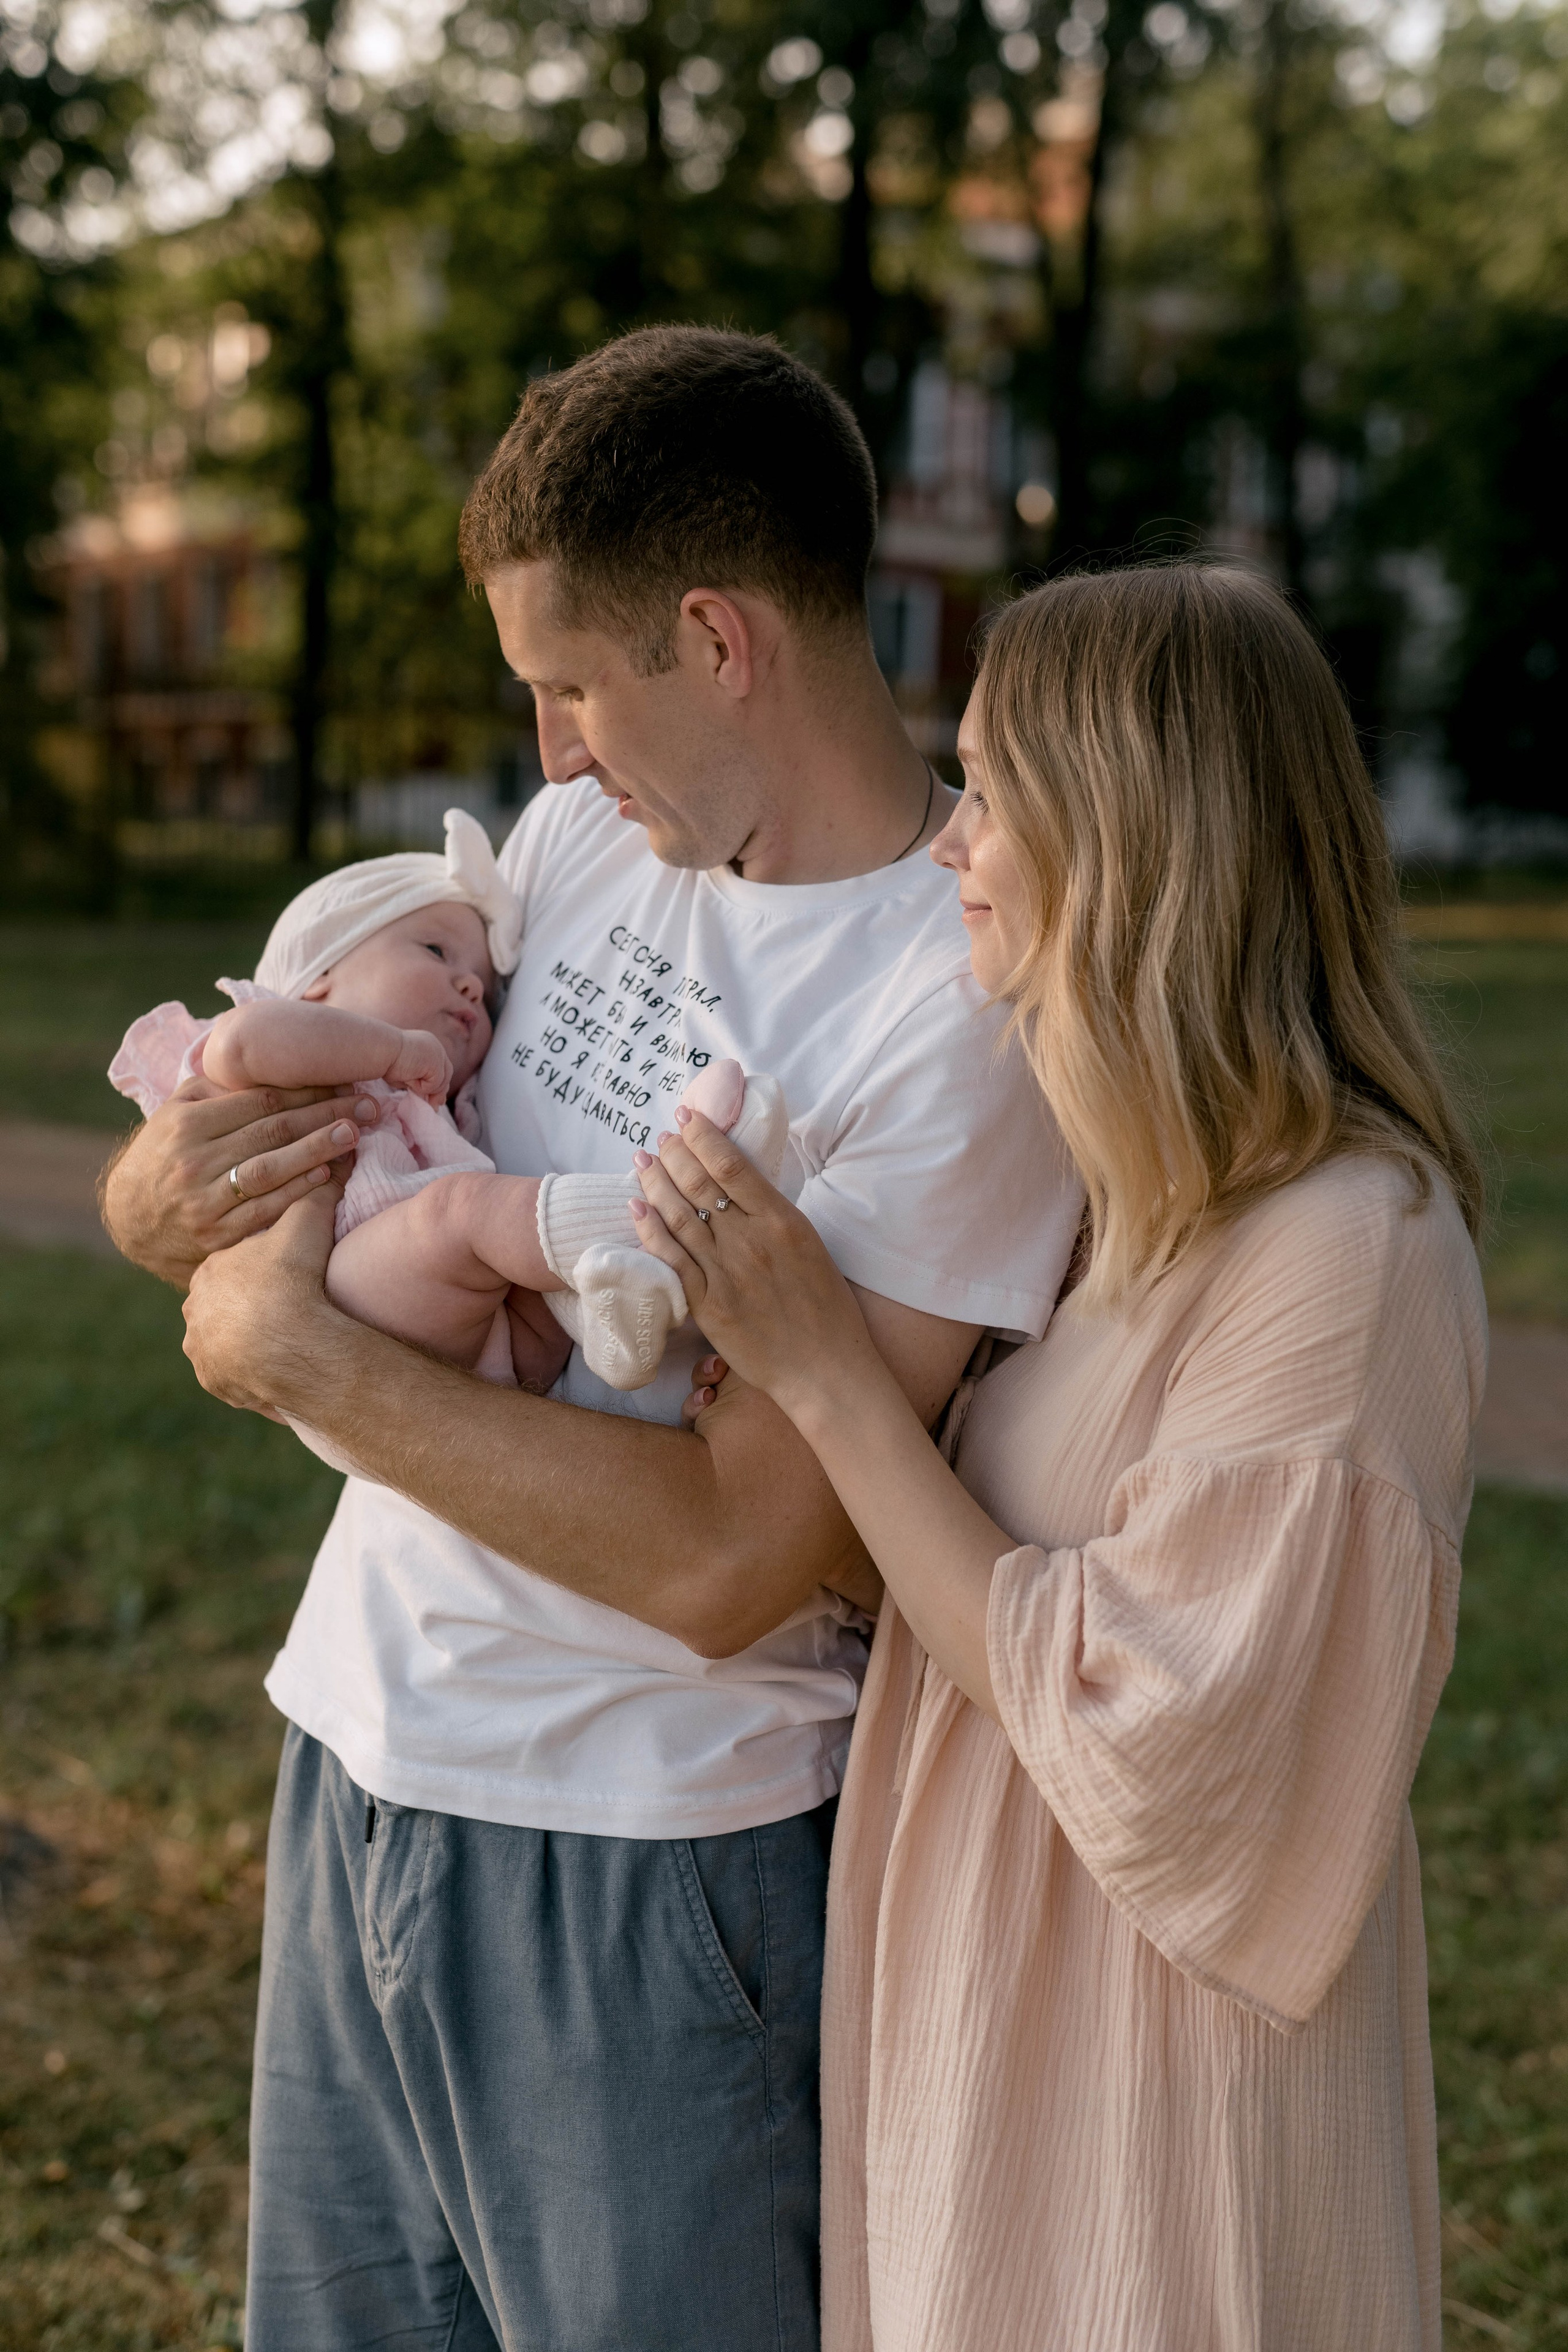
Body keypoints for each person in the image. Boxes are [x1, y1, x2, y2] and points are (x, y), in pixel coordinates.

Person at [105, 326, 1085, 2351]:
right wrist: (158, 1201)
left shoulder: (958, 1005)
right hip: (357, 1752)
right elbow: (271, 1147)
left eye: (568, 686)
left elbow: (737, 1557)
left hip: (648, 1863)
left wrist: (303, 1363)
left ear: (716, 640)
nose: (547, 755)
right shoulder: (579, 852)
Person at [629, 562, 1487, 2352]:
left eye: (994, 789)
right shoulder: (1126, 1201)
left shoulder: (1350, 1245)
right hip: (982, 2008)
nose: (953, 838)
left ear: (1139, 839)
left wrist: (835, 1383)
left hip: (1152, 2095)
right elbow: (951, 1579)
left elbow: (1157, 1743)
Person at [109, 808, 786, 1400]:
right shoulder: (277, 1034)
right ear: (317, 979)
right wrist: (391, 1049)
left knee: (532, 1298)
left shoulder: (441, 1110)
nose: (470, 986)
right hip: (342, 1292)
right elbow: (240, 1046)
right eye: (436, 951)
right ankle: (666, 1203)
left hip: (474, 1349)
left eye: (486, 991)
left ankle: (612, 1326)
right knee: (462, 1210)